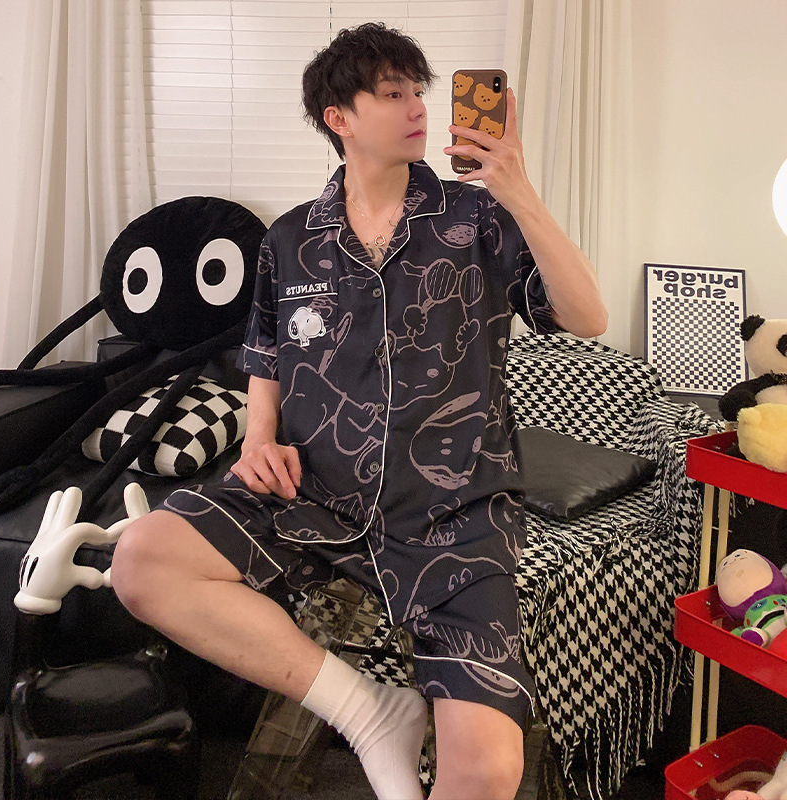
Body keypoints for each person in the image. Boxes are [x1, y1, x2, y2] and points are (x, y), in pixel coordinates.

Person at [111, 21, 607, 800]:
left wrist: (515, 189)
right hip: (315, 494)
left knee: (487, 771)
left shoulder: (478, 220)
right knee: (142, 560)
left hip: (454, 517)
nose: (417, 107)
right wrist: (258, 437)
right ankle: (370, 714)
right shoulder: (289, 240)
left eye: (419, 92)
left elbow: (587, 316)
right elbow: (266, 352)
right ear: (338, 117)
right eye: (393, 93)